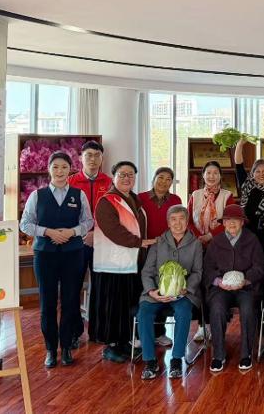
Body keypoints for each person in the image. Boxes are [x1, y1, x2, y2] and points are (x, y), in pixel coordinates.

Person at [20, 151, 93, 368]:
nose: (60, 171)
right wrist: (47, 232)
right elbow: (25, 224)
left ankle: (67, 346)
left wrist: (71, 232)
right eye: (55, 167)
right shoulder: (37, 196)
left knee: (70, 301)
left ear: (70, 169)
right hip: (45, 256)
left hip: (73, 254)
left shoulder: (79, 195)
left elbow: (88, 221)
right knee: (47, 303)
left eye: (64, 167)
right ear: (49, 169)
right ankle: (51, 349)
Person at [90, 161, 156, 363]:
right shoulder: (106, 201)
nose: (127, 178)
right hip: (112, 265)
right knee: (113, 306)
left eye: (130, 175)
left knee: (127, 305)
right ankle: (111, 346)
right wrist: (140, 242)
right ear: (114, 177)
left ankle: (124, 341)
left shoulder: (134, 200)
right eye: (122, 174)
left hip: (132, 263)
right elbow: (113, 230)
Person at [137, 205, 202, 380]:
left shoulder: (195, 244)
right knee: (144, 312)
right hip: (157, 292)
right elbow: (147, 271)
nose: (177, 223)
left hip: (182, 293)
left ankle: (176, 359)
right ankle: (150, 361)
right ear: (168, 222)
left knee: (184, 311)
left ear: (187, 222)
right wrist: (152, 291)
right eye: (173, 219)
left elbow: (197, 272)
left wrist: (186, 288)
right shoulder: (159, 243)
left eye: (181, 219)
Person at [203, 204, 264, 372]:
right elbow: (207, 268)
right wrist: (218, 281)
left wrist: (245, 280)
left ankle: (246, 354)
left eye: (236, 220)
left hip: (245, 287)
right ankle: (218, 355)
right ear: (223, 223)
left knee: (248, 309)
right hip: (221, 288)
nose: (232, 223)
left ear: (242, 222)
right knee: (217, 308)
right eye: (228, 220)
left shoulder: (252, 240)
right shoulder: (216, 242)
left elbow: (260, 267)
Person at [68, 139, 112, 346]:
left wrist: (98, 235)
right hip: (76, 243)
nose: (93, 160)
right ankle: (74, 331)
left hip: (102, 243)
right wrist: (82, 233)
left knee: (101, 288)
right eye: (88, 156)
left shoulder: (109, 182)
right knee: (72, 288)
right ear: (80, 158)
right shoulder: (71, 182)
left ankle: (98, 330)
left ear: (102, 158)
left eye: (97, 155)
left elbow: (114, 214)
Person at [235, 138, 264, 258]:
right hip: (245, 235)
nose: (261, 174)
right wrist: (239, 145)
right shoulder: (246, 186)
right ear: (252, 174)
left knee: (263, 264)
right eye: (257, 171)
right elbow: (238, 165)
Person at [187, 160, 236, 246]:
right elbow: (188, 221)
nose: (212, 176)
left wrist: (210, 236)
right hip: (196, 242)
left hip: (220, 242)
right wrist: (199, 237)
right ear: (203, 175)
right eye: (208, 173)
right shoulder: (195, 195)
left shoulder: (227, 196)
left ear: (220, 176)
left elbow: (230, 221)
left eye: (215, 173)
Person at [139, 167, 183, 239]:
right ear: (154, 179)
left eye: (168, 179)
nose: (164, 181)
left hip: (169, 242)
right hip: (145, 242)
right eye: (161, 177)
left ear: (171, 183)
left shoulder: (176, 200)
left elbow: (179, 224)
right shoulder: (140, 198)